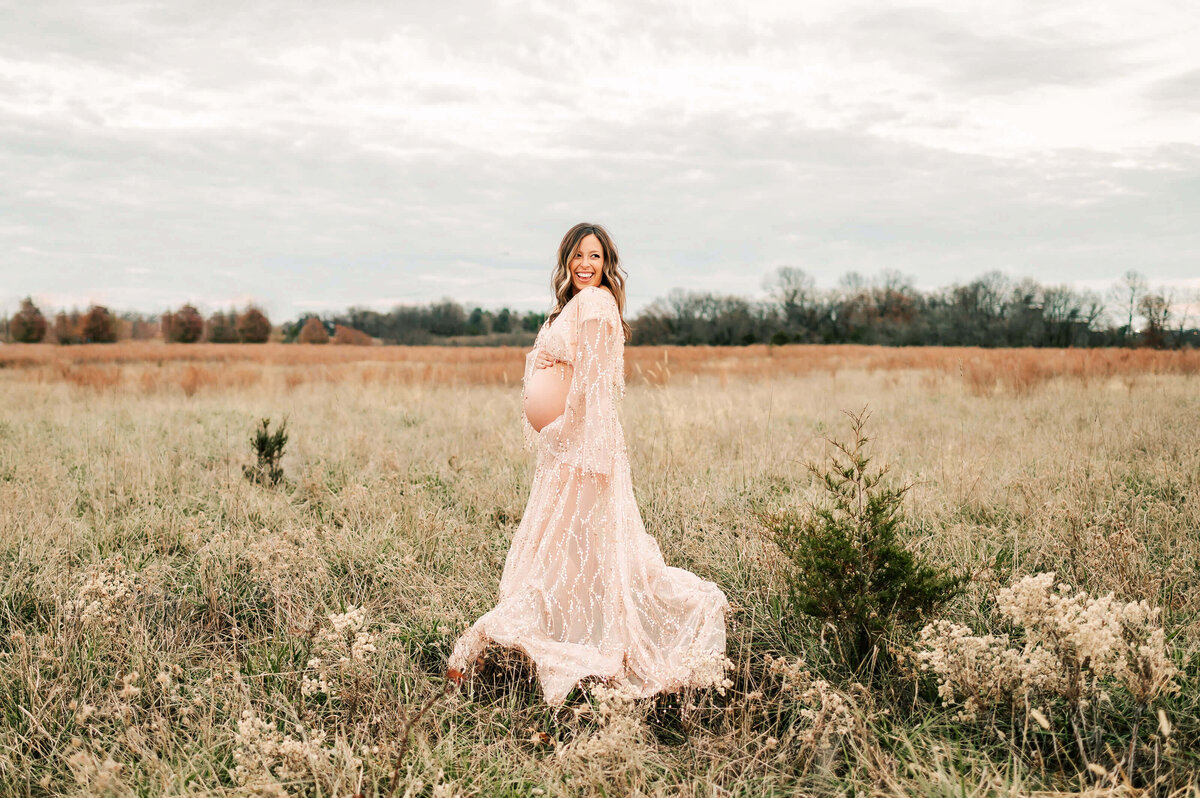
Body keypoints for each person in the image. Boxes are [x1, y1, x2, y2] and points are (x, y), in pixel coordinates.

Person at [447, 222, 731, 707]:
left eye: (595, 257)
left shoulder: (596, 306)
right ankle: (564, 634)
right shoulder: (575, 306)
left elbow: (596, 388)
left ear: (607, 265)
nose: (585, 264)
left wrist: (584, 452)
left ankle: (580, 644)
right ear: (566, 261)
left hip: (584, 452)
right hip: (564, 452)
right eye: (578, 255)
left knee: (571, 549)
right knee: (569, 553)